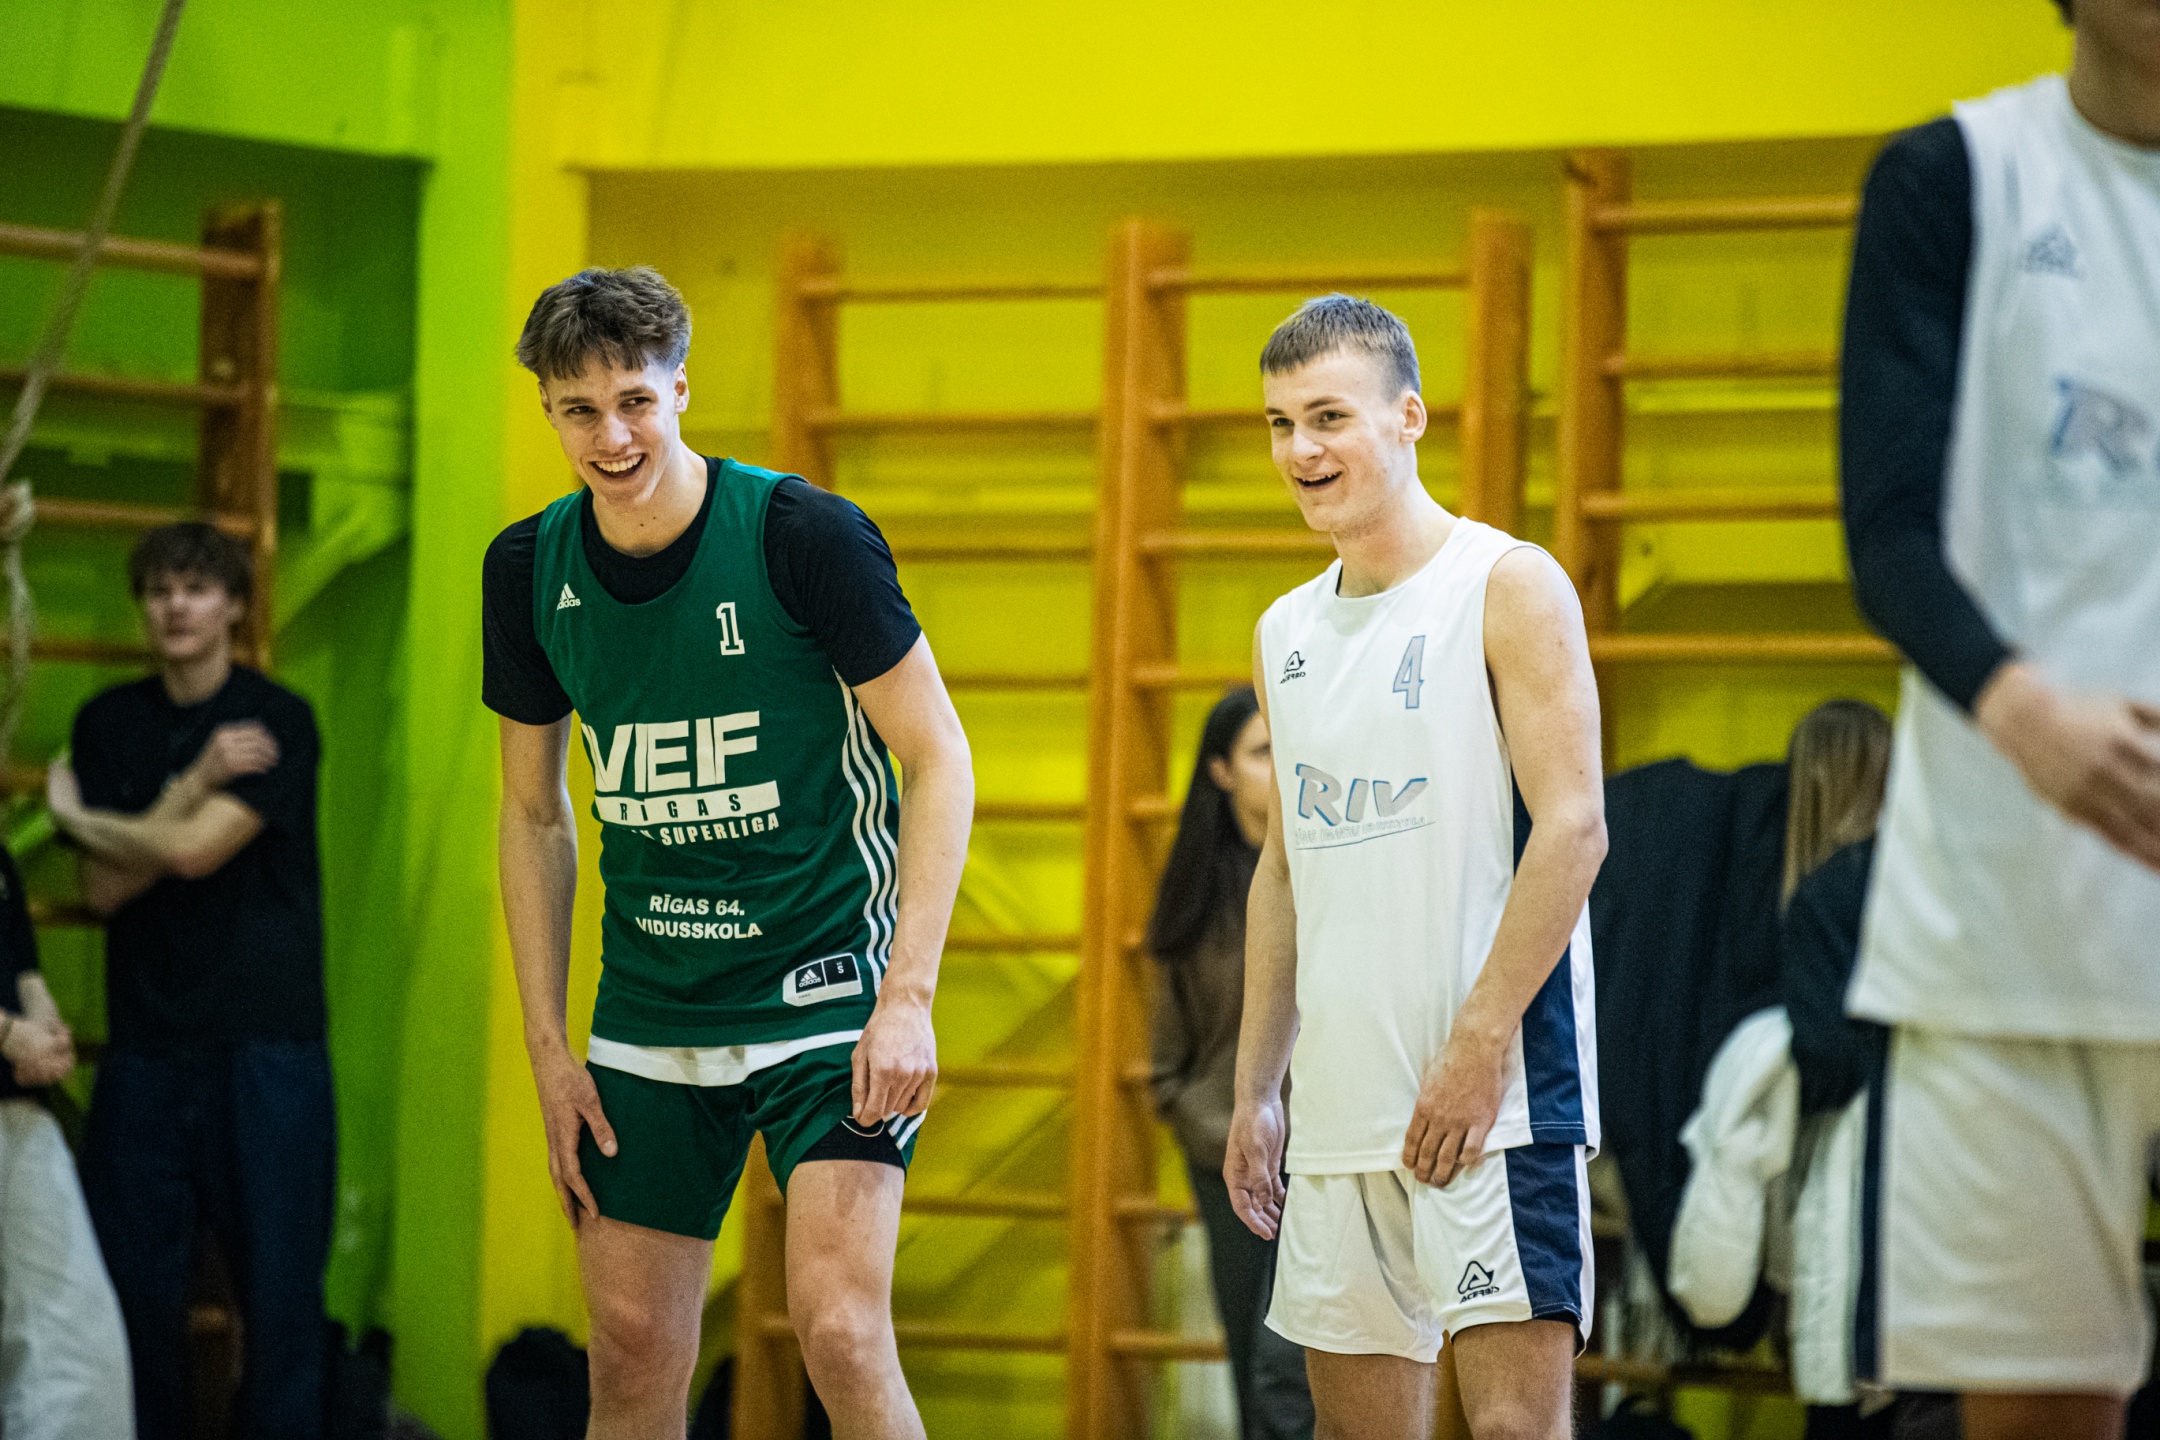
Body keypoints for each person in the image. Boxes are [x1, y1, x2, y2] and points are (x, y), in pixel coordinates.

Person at [484, 266, 973, 1440]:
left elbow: (939, 757)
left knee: (840, 1331)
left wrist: (907, 998)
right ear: (548, 410)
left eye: (635, 402)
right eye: (579, 411)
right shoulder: (528, 567)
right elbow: (534, 815)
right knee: (631, 1352)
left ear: (681, 389)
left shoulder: (802, 535)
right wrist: (549, 1050)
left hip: (826, 993)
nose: (612, 437)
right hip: (653, 1006)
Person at [1838, 1, 2160, 1436]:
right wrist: (2020, 708)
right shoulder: (1954, 178)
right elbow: (1888, 529)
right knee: (2040, 1414)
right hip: (2004, 924)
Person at [1225, 295, 1606, 1440]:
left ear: (1409, 417)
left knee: (1512, 1429)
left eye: (1328, 416)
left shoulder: (1508, 584)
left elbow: (1575, 829)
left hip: (1493, 1102)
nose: (1301, 450)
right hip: (1341, 1113)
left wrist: (1479, 1048)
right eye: (1282, 423)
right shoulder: (1284, 631)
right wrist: (1256, 1090)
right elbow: (1284, 873)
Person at [46, 521, 333, 1440]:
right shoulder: (110, 724)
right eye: (161, 590)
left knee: (282, 1307)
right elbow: (105, 888)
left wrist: (82, 819)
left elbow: (192, 853)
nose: (176, 606)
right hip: (145, 1052)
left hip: (268, 1052)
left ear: (235, 607)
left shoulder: (276, 720)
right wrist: (196, 776)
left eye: (198, 589)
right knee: (134, 1305)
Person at [1147, 687, 1314, 1440]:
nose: (1281, 767)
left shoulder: (1324, 874)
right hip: (1228, 1161)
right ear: (1221, 770)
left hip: (1323, 1156)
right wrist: (1217, 1130)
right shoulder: (1193, 893)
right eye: (1262, 752)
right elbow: (1168, 1060)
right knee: (1253, 1360)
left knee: (1294, 1368)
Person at [0, 839, 134, 1438]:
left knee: (79, 1355)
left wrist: (47, 1030)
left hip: (20, 1116)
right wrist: (9, 1036)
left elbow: (23, 973)